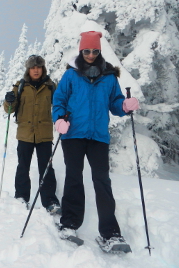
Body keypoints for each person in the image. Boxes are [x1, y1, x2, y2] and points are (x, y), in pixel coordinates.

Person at [52, 31, 139, 250]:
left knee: (102, 182)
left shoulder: (109, 76)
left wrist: (124, 106)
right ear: (81, 51)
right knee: (74, 178)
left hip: (98, 136)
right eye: (87, 51)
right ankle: (69, 224)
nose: (91, 54)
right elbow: (59, 100)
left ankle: (110, 234)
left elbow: (115, 103)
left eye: (95, 51)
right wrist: (59, 120)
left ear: (99, 52)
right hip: (73, 134)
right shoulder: (71, 75)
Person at [3, 55, 61, 214]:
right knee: (23, 167)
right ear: (28, 69)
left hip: (44, 134)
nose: (36, 70)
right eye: (33, 67)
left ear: (43, 69)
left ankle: (50, 201)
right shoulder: (21, 86)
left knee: (46, 168)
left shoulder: (50, 86)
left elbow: (59, 105)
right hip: (25, 134)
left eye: (38, 67)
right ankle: (21, 197)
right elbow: (9, 108)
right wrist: (9, 100)